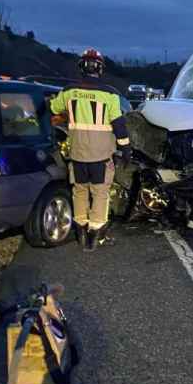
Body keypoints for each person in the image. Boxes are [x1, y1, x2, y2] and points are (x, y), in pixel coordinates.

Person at [50, 48, 131, 251]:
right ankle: (96, 237)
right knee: (100, 194)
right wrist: (125, 149)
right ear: (100, 69)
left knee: (79, 192)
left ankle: (81, 234)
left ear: (81, 67)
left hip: (77, 155)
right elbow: (119, 125)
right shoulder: (110, 95)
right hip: (101, 157)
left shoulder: (68, 92)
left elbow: (53, 109)